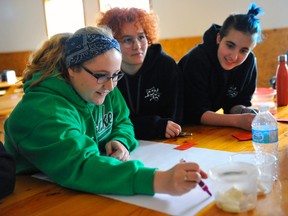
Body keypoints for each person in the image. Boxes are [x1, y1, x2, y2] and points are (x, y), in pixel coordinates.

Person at [4, 26, 207, 196]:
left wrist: (120, 139)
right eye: (101, 75)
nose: (111, 87)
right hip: (35, 194)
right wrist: (159, 180)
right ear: (71, 68)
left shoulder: (103, 87)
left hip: (87, 185)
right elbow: (82, 165)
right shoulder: (43, 111)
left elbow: (123, 121)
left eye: (116, 75)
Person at [96, 7, 183, 139]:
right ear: (112, 43)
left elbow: (173, 121)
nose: (137, 46)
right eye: (127, 40)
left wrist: (152, 126)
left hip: (165, 145)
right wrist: (153, 125)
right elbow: (107, 125)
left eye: (141, 37)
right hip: (121, 144)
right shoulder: (106, 73)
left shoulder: (166, 66)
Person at [178, 3, 263, 131]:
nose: (234, 57)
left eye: (244, 51)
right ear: (219, 38)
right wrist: (238, 120)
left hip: (205, 130)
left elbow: (235, 104)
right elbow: (195, 113)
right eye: (230, 45)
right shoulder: (197, 59)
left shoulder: (249, 61)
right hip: (179, 126)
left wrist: (244, 111)